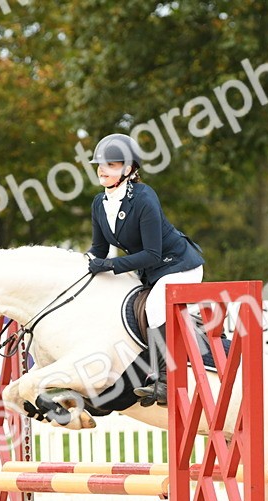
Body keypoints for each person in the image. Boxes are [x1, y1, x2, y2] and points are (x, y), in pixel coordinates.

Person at [84, 133, 204, 406]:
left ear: (128, 170)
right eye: (100, 164)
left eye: (111, 165)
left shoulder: (144, 198)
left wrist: (111, 266)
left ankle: (165, 380)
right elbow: (98, 250)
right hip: (149, 271)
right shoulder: (98, 203)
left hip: (178, 266)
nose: (102, 169)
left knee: (155, 307)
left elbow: (152, 254)